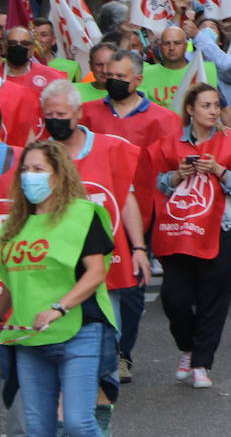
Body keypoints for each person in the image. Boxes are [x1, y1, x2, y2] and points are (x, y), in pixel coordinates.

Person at [39, 80, 152, 404]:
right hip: (55, 269)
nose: (54, 120)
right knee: (57, 344)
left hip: (107, 268)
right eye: (49, 114)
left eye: (60, 113)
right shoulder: (38, 153)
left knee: (106, 344)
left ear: (77, 113)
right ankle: (68, 411)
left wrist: (139, 249)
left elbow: (126, 198)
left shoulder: (110, 148)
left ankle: (97, 414)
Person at [0, 140, 117, 437]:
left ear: (58, 174)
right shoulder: (13, 227)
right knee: (38, 429)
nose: (30, 176)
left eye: (38, 169)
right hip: (29, 336)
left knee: (78, 423)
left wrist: (58, 308)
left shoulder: (82, 215)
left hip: (78, 330)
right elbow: (12, 286)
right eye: (25, 170)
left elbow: (95, 273)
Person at [77, 49, 181, 380]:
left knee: (133, 288)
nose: (114, 82)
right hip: (94, 211)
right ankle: (93, 350)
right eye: (110, 76)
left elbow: (172, 167)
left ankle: (123, 353)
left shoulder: (164, 120)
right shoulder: (89, 113)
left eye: (122, 77)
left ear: (138, 79)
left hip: (143, 214)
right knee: (92, 280)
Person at [147, 83, 231, 388]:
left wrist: (220, 170)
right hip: (180, 230)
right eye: (206, 105)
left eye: (216, 105)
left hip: (219, 229)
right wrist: (177, 175)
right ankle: (187, 346)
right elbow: (159, 184)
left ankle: (201, 363)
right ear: (191, 110)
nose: (213, 111)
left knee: (213, 298)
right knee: (174, 298)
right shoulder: (170, 144)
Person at [142, 27, 218, 109]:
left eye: (177, 43)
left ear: (185, 46)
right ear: (160, 47)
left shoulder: (204, 70)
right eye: (166, 43)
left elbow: (224, 109)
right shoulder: (145, 73)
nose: (172, 48)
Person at [3, 27, 66, 97]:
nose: (18, 47)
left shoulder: (51, 77)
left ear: (32, 49)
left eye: (24, 43)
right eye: (12, 43)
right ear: (5, 47)